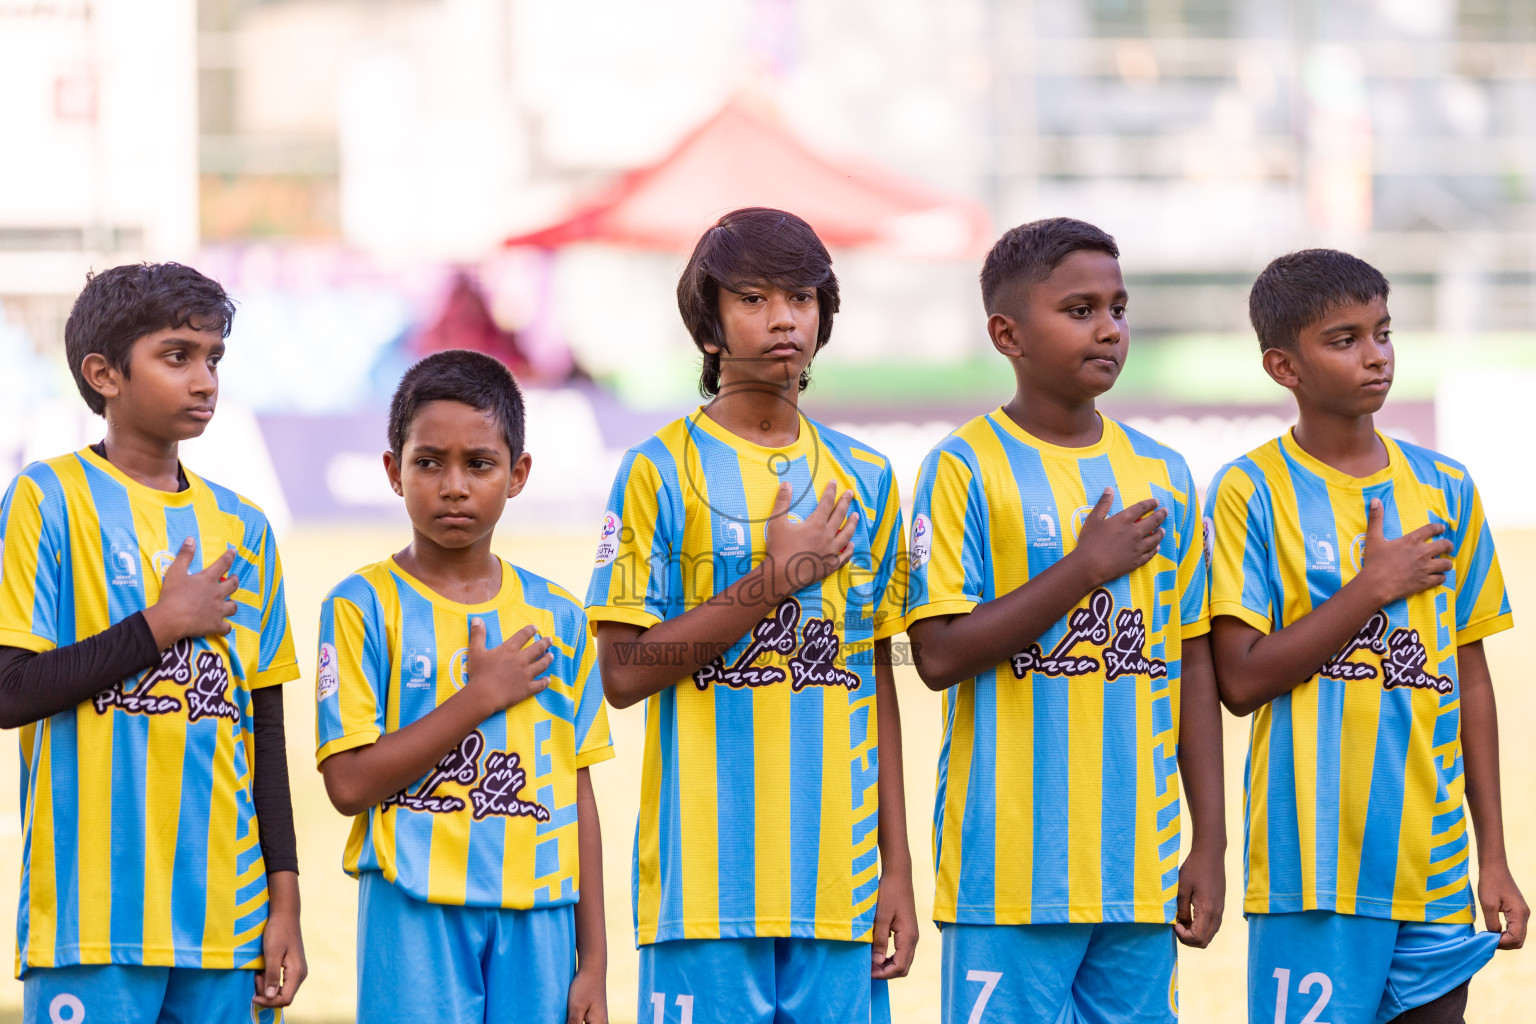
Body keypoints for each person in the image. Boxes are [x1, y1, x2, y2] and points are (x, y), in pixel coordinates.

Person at [585, 207, 917, 1024]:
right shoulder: (657, 470)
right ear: (709, 326)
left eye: (802, 298)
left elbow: (875, 680)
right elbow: (624, 675)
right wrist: (772, 582)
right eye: (755, 298)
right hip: (705, 886)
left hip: (838, 883)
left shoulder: (865, 475)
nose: (783, 320)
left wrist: (898, 870)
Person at [904, 217, 1226, 1024]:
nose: (1110, 328)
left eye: (1119, 308)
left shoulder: (1165, 472)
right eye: (1080, 310)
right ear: (1006, 334)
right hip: (1006, 877)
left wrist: (1210, 841)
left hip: (1137, 872)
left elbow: (1192, 665)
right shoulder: (962, 467)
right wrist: (1084, 568)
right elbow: (938, 655)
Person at [1205, 249, 1527, 1024]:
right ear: (1284, 365)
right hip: (1311, 869)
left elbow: (1469, 680)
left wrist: (1494, 857)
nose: (1376, 355)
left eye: (1382, 332)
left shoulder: (1446, 488)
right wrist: (1371, 589)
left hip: (1436, 865)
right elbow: (1241, 681)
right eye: (1344, 340)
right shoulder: (1252, 490)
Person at [0, 263, 305, 1022]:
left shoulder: (245, 528)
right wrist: (160, 626)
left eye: (214, 359)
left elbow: (263, 733)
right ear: (103, 373)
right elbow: (10, 691)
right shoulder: (47, 499)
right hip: (91, 923)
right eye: (178, 356)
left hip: (227, 928)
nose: (204, 380)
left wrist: (285, 902)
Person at [315, 349, 613, 1024]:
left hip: (539, 914)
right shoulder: (360, 607)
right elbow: (348, 785)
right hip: (413, 906)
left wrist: (593, 961)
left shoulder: (558, 618)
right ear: (394, 471)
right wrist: (478, 698)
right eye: (429, 462)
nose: (454, 485)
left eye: (478, 464)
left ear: (517, 475)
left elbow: (579, 794)